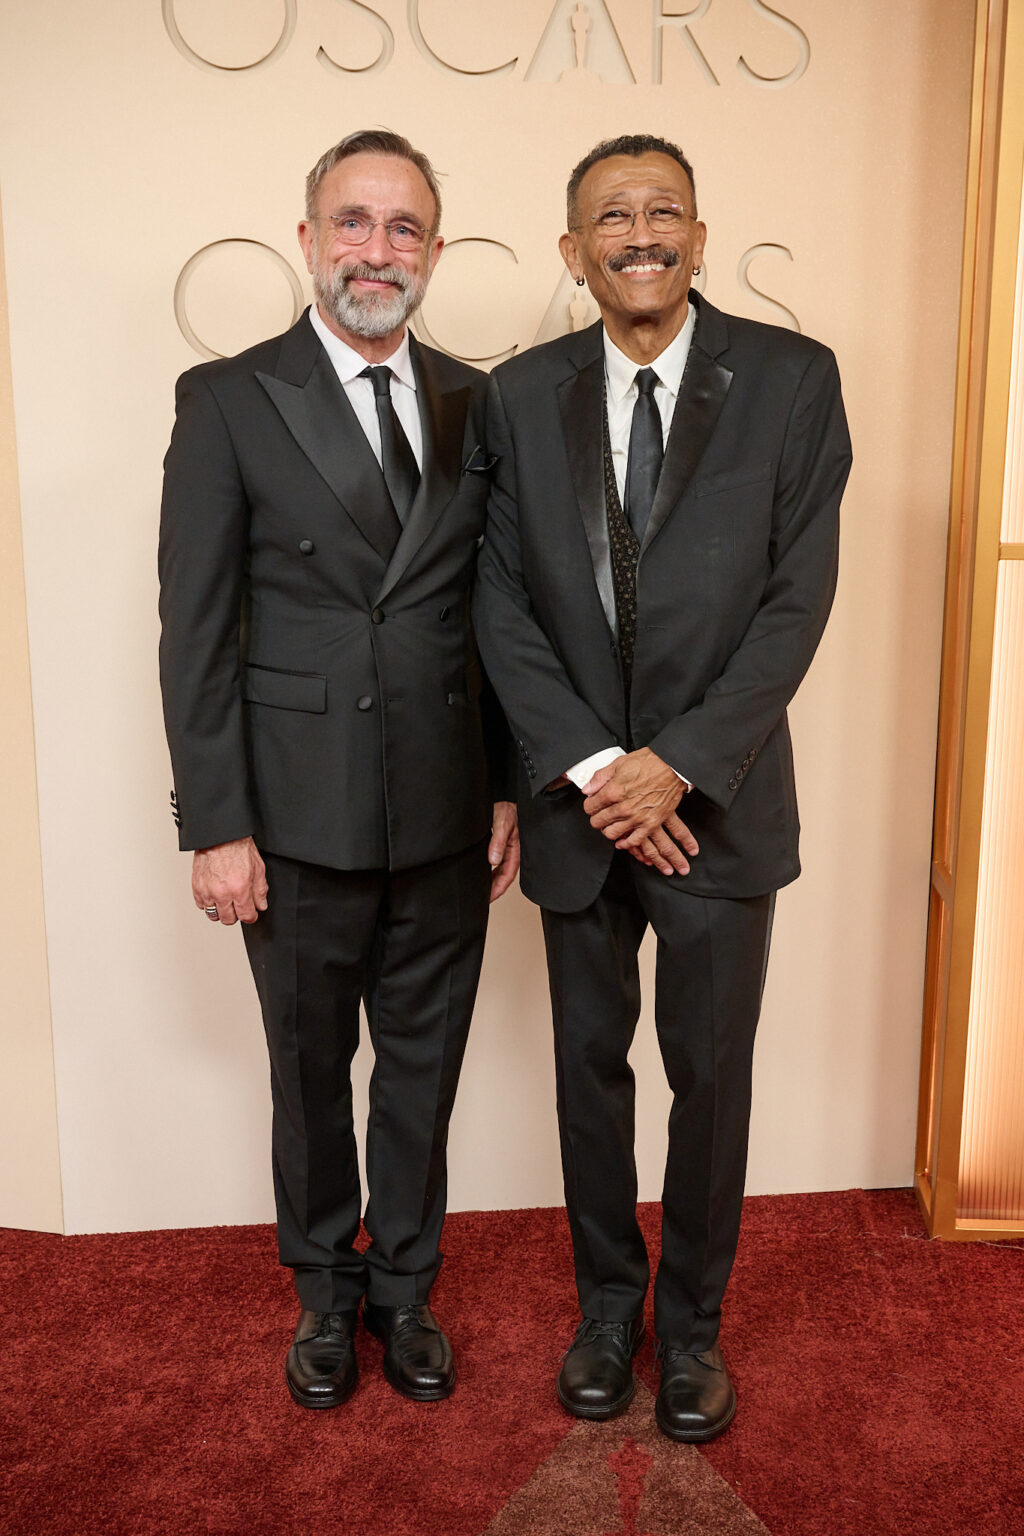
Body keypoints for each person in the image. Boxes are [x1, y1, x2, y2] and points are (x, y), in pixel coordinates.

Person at [473, 134, 851, 1442]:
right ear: (571, 251)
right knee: (589, 1073)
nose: (641, 232)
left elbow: (799, 596)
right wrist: (594, 770)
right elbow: (497, 601)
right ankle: (602, 1316)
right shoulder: (514, 398)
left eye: (665, 210)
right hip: (584, 814)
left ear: (699, 233)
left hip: (721, 806)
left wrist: (678, 764)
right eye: (610, 217)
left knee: (711, 1076)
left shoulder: (796, 382)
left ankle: (689, 1336)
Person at [158, 128, 518, 1412]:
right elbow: (195, 628)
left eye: (404, 226)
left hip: (440, 807)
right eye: (353, 223)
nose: (379, 249)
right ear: (308, 241)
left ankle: (406, 1291)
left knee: (422, 1070)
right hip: (293, 817)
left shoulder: (485, 401)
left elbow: (504, 616)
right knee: (309, 1075)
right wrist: (216, 823)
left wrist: (502, 787)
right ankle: (323, 1294)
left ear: (434, 247)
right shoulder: (230, 398)